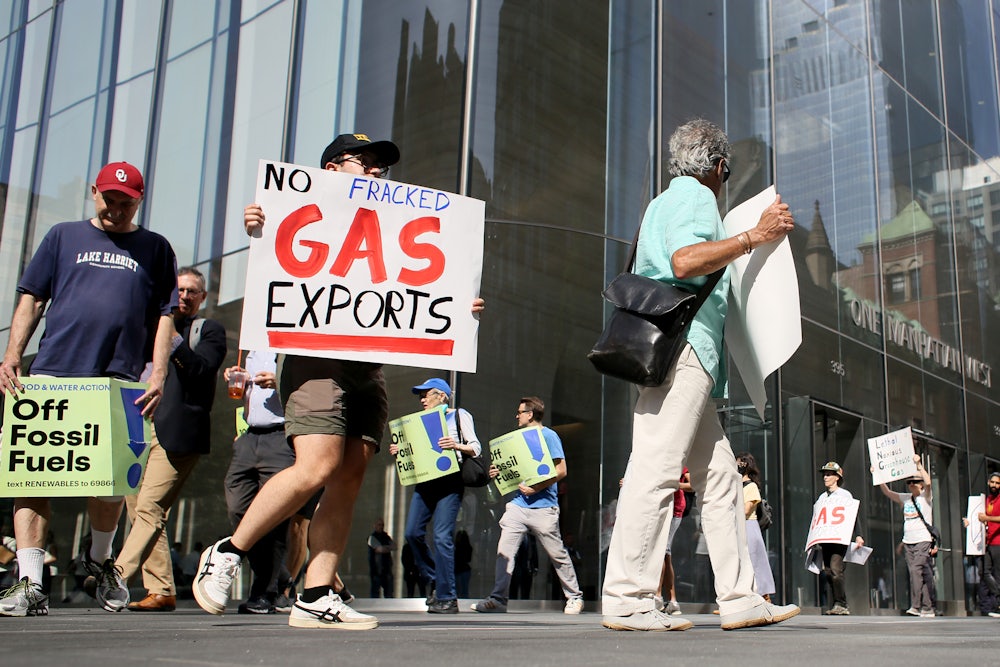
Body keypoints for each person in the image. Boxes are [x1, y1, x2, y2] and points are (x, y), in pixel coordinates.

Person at [194, 133, 483, 630]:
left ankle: (315, 593)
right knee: (317, 465)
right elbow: (277, 257)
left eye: (380, 168)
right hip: (316, 359)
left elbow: (419, 277)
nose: (374, 173)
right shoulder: (300, 209)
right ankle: (227, 550)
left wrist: (459, 303)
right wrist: (260, 225)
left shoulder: (390, 225)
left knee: (349, 476)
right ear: (331, 167)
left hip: (368, 365)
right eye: (363, 162)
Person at [601, 119, 799, 632]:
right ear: (717, 166)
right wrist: (756, 235)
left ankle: (740, 598)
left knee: (721, 480)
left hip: (684, 357)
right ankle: (626, 596)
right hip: (683, 353)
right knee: (656, 468)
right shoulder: (694, 197)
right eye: (727, 172)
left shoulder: (665, 200)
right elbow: (685, 260)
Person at [0, 161, 178, 617]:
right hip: (54, 372)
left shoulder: (155, 247)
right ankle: (30, 582)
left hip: (118, 378)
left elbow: (164, 314)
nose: (116, 209)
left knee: (111, 482)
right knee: (34, 476)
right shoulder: (63, 235)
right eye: (109, 199)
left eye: (127, 203)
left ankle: (99, 561)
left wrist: (157, 373)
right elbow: (33, 296)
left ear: (139, 201)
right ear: (94, 193)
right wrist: (13, 353)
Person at [113, 267, 226, 613]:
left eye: (193, 291)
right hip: (137, 427)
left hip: (177, 432)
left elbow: (200, 369)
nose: (185, 296)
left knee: (149, 507)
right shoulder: (146, 328)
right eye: (179, 289)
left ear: (202, 298)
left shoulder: (209, 330)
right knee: (142, 509)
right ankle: (160, 589)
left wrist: (171, 335)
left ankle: (115, 575)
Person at [222, 351, 316, 614]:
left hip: (282, 434)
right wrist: (234, 377)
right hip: (250, 434)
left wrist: (281, 382)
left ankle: (264, 592)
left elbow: (317, 388)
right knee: (237, 507)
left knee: (274, 520)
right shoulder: (251, 347)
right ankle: (282, 574)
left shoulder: (292, 346)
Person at [472, 396, 584, 614]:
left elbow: (561, 470)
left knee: (556, 553)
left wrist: (537, 487)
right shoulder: (515, 438)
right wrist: (498, 472)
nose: (517, 415)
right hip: (517, 505)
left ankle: (574, 597)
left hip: (543, 506)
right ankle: (498, 599)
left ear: (530, 414)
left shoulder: (549, 436)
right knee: (504, 551)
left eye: (520, 412)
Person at [391, 378, 481, 614]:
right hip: (425, 482)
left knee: (442, 536)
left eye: (427, 394)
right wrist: (400, 452)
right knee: (412, 533)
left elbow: (476, 447)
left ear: (442, 395)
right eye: (420, 395)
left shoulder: (458, 415)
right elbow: (415, 453)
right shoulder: (418, 423)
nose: (422, 399)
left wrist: (456, 445)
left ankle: (447, 596)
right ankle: (435, 578)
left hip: (450, 481)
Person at [878, 455, 936, 617]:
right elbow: (888, 492)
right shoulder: (906, 499)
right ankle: (928, 607)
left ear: (921, 485)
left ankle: (916, 606)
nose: (911, 485)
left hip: (923, 539)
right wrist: (878, 476)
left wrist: (918, 465)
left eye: (915, 482)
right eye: (909, 482)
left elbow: (929, 482)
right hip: (909, 541)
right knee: (920, 572)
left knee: (916, 571)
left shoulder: (926, 497)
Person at [813, 462, 865, 615]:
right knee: (828, 571)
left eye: (829, 474)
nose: (825, 477)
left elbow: (853, 515)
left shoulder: (844, 495)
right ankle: (837, 602)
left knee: (836, 569)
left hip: (839, 538)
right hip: (826, 539)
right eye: (825, 474)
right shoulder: (822, 497)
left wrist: (858, 534)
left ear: (837, 477)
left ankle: (841, 604)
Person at [736, 452, 775, 602]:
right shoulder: (736, 485)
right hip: (739, 526)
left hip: (748, 526)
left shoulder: (751, 486)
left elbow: (746, 510)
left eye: (738, 463)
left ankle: (763, 595)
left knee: (754, 561)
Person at [964, 471, 1000, 617]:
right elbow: (979, 518)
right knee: (983, 571)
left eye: (998, 483)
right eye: (993, 482)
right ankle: (995, 599)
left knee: (996, 573)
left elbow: (988, 518)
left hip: (998, 542)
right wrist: (969, 522)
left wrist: (987, 518)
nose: (995, 485)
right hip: (987, 542)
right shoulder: (986, 500)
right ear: (988, 483)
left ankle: (996, 604)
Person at [656, 468, 690, 615]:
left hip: (674, 508)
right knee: (665, 552)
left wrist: (674, 485)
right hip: (663, 507)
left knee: (662, 550)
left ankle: (658, 597)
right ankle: (671, 600)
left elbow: (692, 484)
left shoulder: (679, 462)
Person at [367, 518, 395, 598]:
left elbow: (394, 546)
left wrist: (385, 548)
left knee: (389, 593)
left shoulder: (386, 537)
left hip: (387, 569)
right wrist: (387, 548)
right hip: (376, 570)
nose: (381, 527)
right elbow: (379, 549)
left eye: (382, 525)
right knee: (375, 593)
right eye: (379, 525)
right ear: (375, 526)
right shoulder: (372, 538)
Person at [454, 529, 472, 598]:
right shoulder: (469, 548)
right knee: (464, 590)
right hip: (465, 570)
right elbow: (468, 559)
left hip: (457, 570)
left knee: (457, 590)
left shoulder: (455, 548)